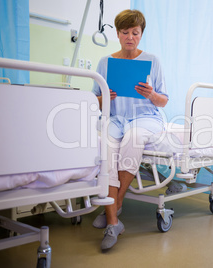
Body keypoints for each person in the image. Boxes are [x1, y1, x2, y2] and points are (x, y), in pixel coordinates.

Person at [91, 9, 168, 251]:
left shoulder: (152, 61)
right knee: (108, 145)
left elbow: (164, 100)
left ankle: (116, 202)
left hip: (145, 117)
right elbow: (93, 99)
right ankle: (113, 221)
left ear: (141, 34)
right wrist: (104, 97)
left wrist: (152, 94)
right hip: (115, 118)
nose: (130, 37)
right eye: (125, 32)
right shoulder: (105, 62)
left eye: (135, 33)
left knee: (133, 138)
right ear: (118, 33)